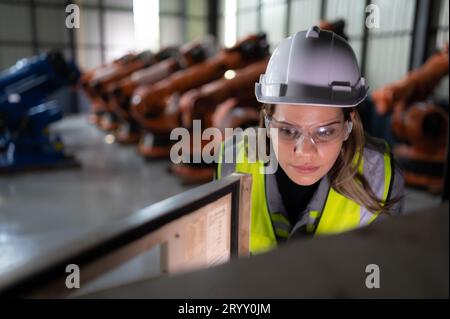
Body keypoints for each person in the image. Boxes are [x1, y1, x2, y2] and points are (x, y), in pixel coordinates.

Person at [216, 26, 404, 255]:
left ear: (348, 125)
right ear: (267, 121)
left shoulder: (379, 180)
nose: (304, 152)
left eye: (324, 132)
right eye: (287, 131)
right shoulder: (234, 160)